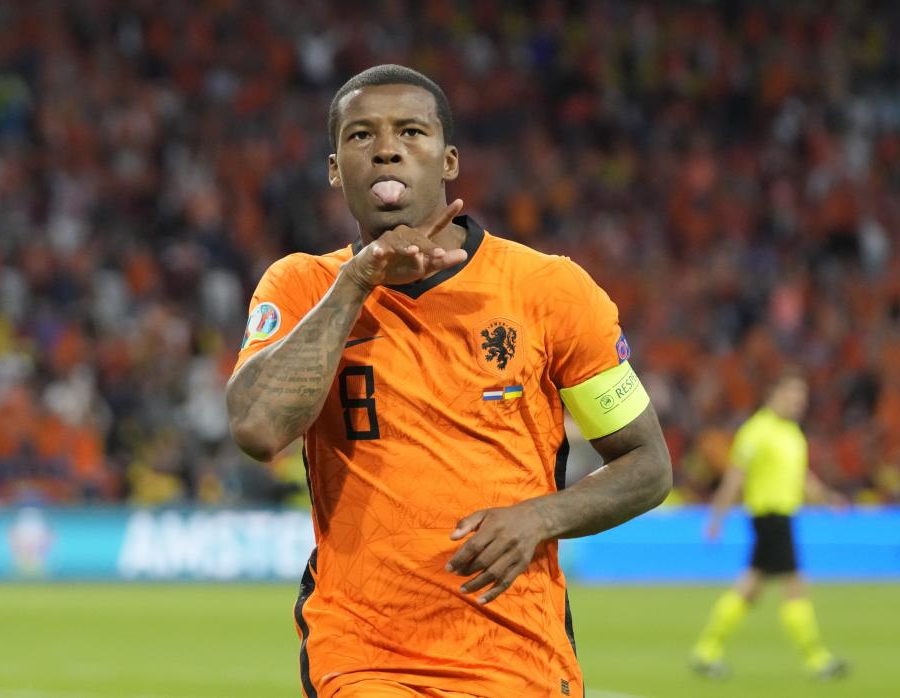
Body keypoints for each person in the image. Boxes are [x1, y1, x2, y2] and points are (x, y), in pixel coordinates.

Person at [226, 64, 672, 698]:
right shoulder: (301, 286)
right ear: (333, 169)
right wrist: (357, 282)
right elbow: (258, 430)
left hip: (520, 654)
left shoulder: (549, 290)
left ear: (448, 160)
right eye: (361, 136)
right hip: (363, 655)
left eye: (411, 131)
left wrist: (539, 518)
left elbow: (648, 465)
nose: (386, 147)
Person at [691, 369, 849, 680]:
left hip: (783, 518)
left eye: (801, 397)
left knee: (749, 588)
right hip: (769, 518)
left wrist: (828, 498)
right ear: (772, 395)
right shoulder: (756, 431)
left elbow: (802, 478)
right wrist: (716, 519)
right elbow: (735, 477)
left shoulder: (792, 434)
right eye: (791, 394)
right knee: (794, 586)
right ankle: (816, 658)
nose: (797, 402)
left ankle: (706, 650)